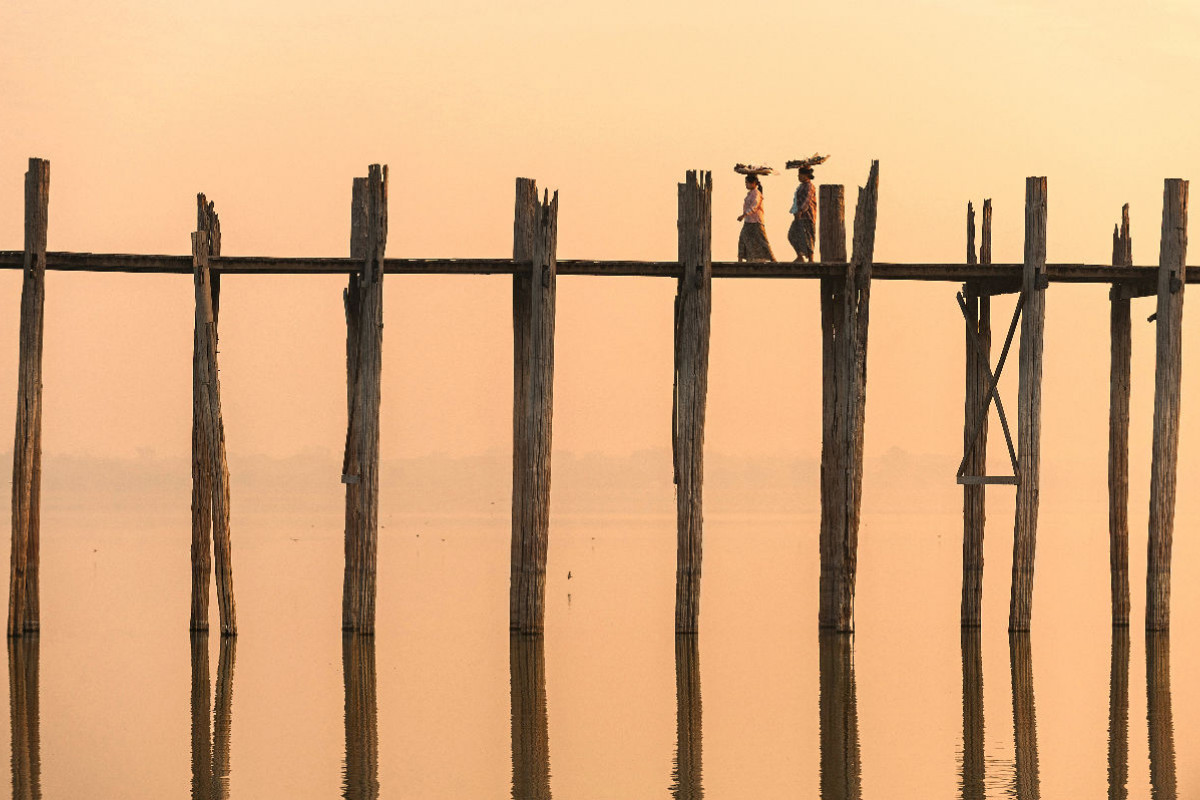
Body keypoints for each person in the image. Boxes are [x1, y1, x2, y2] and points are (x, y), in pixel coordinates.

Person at [737, 174, 776, 262]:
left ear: (754, 183)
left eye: (747, 183)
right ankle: (740, 259)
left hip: (756, 221)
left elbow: (754, 206)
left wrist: (743, 215)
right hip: (749, 221)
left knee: (762, 240)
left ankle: (772, 259)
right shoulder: (750, 193)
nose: (746, 185)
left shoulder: (757, 194)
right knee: (743, 238)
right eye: (745, 183)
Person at [788, 166, 817, 262]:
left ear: (806, 175)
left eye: (801, 175)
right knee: (792, 234)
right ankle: (800, 255)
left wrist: (801, 210)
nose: (799, 177)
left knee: (808, 236)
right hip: (799, 215)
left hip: (807, 216)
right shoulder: (801, 186)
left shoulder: (809, 186)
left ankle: (811, 258)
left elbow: (807, 200)